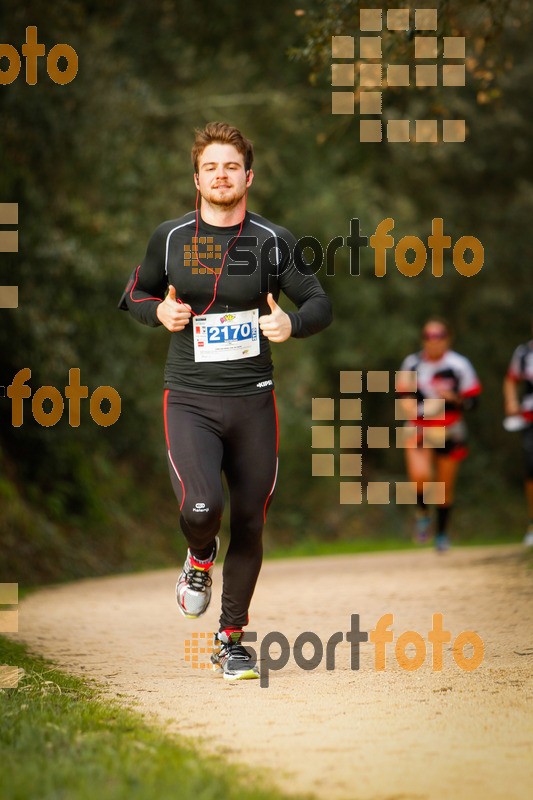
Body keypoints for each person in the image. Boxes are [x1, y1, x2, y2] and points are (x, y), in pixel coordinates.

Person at [119, 122, 332, 679]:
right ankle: (198, 559)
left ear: (249, 177)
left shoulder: (272, 240)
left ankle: (232, 639)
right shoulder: (169, 238)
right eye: (211, 166)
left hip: (254, 402)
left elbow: (318, 302)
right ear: (197, 177)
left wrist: (293, 324)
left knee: (252, 523)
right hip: (189, 399)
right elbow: (134, 292)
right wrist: (156, 312)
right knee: (200, 509)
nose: (221, 175)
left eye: (231, 166)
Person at [396, 318, 481, 551]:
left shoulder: (459, 365)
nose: (434, 341)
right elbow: (404, 397)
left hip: (449, 427)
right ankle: (422, 512)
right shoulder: (412, 364)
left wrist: (453, 398)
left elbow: (473, 402)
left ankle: (442, 535)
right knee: (420, 474)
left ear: (448, 338)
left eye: (439, 336)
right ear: (423, 339)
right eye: (429, 336)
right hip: (420, 426)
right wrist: (412, 409)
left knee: (444, 487)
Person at [503, 331, 533, 545]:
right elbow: (511, 380)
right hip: (529, 418)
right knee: (531, 469)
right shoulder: (524, 353)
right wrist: (511, 402)